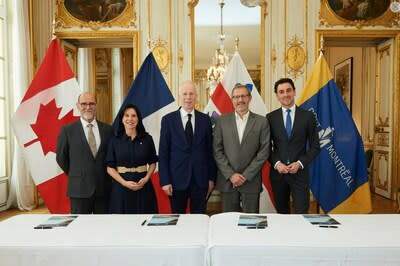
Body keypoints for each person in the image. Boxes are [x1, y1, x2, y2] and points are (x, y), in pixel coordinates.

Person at [159, 80, 216, 214]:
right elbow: (163, 153)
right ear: (179, 97)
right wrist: (165, 181)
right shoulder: (168, 120)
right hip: (176, 180)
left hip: (200, 180)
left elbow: (210, 152)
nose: (188, 97)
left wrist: (211, 179)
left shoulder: (205, 120)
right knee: (178, 219)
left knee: (200, 219)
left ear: (196, 96)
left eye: (191, 94)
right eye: (185, 94)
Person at [213, 83, 270, 213]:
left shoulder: (262, 121)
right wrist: (231, 175)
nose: (240, 100)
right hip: (228, 181)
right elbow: (217, 150)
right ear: (232, 99)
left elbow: (264, 151)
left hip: (251, 181)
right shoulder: (221, 121)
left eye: (243, 96)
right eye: (236, 97)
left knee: (251, 223)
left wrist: (245, 176)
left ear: (250, 98)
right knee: (229, 223)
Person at [267, 78, 320, 214]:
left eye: (288, 90)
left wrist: (300, 163)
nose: (285, 94)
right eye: (281, 92)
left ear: (294, 92)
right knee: (282, 213)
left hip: (300, 174)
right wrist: (277, 163)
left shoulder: (308, 116)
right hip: (279, 175)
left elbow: (315, 147)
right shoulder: (270, 118)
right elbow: (266, 148)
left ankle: (302, 236)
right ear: (277, 96)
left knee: (302, 212)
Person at [56, 92, 113, 214]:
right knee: (79, 228)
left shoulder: (108, 130)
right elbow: (61, 158)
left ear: (96, 105)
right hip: (78, 189)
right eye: (84, 104)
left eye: (91, 103)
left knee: (105, 227)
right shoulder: (67, 130)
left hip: (103, 188)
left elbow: (111, 157)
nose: (88, 107)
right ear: (78, 105)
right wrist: (77, 172)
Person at [106, 104, 158, 214]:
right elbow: (110, 168)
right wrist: (124, 183)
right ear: (122, 118)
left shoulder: (147, 139)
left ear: (138, 119)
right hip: (121, 188)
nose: (130, 119)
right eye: (127, 115)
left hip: (143, 186)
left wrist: (147, 178)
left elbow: (153, 162)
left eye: (134, 116)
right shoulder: (114, 140)